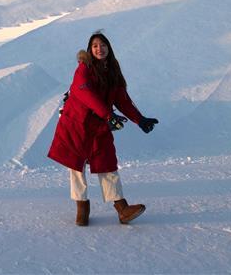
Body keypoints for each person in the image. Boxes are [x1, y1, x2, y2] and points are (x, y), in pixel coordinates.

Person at [47, 31, 159, 226]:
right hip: (77, 124)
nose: (100, 48)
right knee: (77, 166)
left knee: (107, 162)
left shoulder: (113, 71)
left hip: (100, 125)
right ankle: (82, 208)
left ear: (109, 48)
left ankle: (122, 209)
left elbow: (122, 100)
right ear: (90, 50)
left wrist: (140, 120)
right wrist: (108, 115)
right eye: (95, 45)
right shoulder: (84, 69)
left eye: (103, 45)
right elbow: (85, 94)